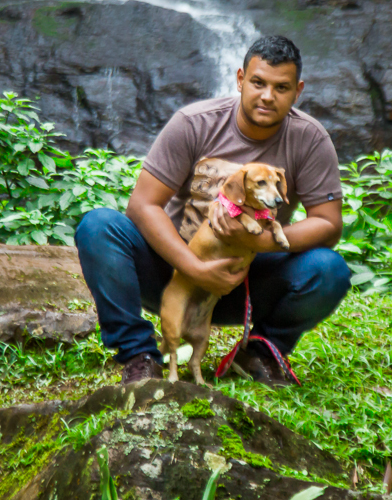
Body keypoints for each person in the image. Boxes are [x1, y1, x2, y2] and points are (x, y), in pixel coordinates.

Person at [74, 35, 352, 387]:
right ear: (239, 79)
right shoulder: (195, 123)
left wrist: (260, 242)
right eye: (258, 83)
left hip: (246, 278)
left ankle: (261, 352)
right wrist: (194, 268)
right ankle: (139, 355)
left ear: (297, 91)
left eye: (281, 87)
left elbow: (328, 225)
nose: (268, 96)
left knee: (329, 270)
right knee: (98, 226)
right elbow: (142, 206)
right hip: (173, 274)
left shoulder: (309, 139)